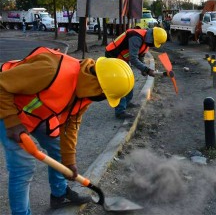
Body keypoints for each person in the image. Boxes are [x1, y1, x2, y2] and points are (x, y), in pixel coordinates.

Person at [0, 46, 134, 214]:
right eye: (104, 96)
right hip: (7, 109)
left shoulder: (86, 90)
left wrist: (69, 161)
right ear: (98, 86)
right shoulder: (50, 70)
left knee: (58, 149)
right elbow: (2, 85)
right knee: (23, 167)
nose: (102, 100)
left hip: (36, 114)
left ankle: (59, 194)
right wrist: (12, 121)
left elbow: (71, 124)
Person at [105, 26, 167, 119]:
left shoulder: (147, 43)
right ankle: (120, 111)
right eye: (154, 43)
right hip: (113, 55)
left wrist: (143, 69)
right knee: (121, 82)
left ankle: (127, 102)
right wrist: (147, 70)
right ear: (152, 38)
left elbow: (140, 57)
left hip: (122, 58)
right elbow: (133, 58)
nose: (154, 45)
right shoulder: (136, 37)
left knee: (130, 79)